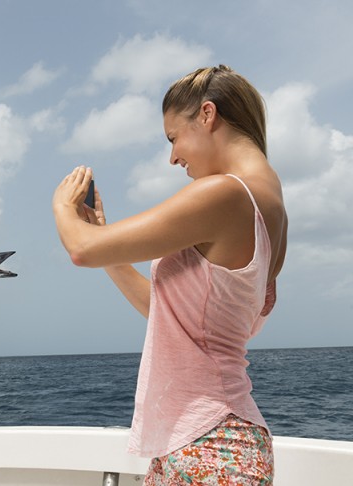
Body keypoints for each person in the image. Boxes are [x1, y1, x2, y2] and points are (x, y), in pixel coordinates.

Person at [52, 65, 287, 484]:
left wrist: (62, 207)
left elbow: (80, 249)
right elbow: (178, 316)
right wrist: (107, 242)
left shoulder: (227, 195)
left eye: (173, 137)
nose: (173, 156)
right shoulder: (271, 210)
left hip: (213, 446)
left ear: (208, 114)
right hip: (207, 442)